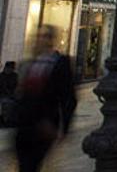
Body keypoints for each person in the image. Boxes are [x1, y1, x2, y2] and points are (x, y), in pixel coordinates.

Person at [15, 26, 77, 172]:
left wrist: (62, 127)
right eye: (39, 36)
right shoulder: (29, 62)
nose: (40, 39)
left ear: (52, 40)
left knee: (30, 165)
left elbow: (68, 97)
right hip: (23, 125)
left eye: (45, 36)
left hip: (44, 126)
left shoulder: (60, 62)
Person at [0, 61, 18, 127]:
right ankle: (4, 120)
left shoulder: (15, 76)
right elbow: (3, 88)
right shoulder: (1, 76)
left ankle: (8, 120)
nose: (10, 70)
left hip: (11, 96)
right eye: (8, 68)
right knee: (6, 103)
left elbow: (16, 86)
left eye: (12, 68)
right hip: (3, 95)